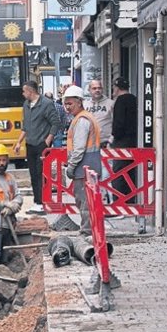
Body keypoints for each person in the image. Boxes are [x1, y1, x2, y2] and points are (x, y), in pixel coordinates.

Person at [14, 80, 61, 214]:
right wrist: (18, 142)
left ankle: (43, 202)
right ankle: (37, 201)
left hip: (42, 144)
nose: (23, 94)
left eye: (24, 91)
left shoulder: (46, 104)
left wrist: (48, 140)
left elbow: (55, 123)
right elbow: (25, 126)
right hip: (30, 144)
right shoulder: (26, 105)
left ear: (30, 91)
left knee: (42, 173)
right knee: (33, 174)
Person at [62, 85, 102, 235]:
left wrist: (71, 166)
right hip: (89, 167)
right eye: (66, 103)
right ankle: (91, 230)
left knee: (84, 201)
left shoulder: (82, 120)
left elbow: (79, 148)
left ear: (79, 102)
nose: (67, 107)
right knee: (87, 201)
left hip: (84, 168)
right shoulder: (84, 118)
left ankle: (87, 232)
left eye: (70, 103)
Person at [111, 77, 137, 203]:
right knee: (131, 172)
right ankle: (130, 200)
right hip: (134, 141)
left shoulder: (120, 101)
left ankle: (119, 202)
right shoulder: (134, 99)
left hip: (122, 142)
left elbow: (118, 124)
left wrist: (114, 136)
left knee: (119, 173)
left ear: (117, 87)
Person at [84, 79, 114, 147]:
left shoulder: (111, 104)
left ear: (102, 89)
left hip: (106, 143)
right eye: (94, 88)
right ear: (89, 90)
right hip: (89, 143)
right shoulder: (85, 105)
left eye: (99, 88)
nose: (97, 90)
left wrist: (111, 140)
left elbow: (116, 123)